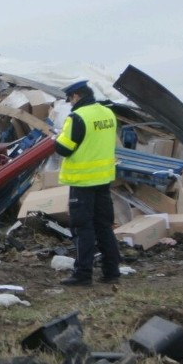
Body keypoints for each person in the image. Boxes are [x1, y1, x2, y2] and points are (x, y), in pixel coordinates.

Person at [54, 80, 121, 286]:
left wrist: (55, 138)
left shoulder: (77, 117)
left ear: (76, 96)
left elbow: (64, 149)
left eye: (70, 99)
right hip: (103, 179)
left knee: (83, 228)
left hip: (82, 182)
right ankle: (112, 271)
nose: (70, 104)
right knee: (104, 226)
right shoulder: (107, 113)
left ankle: (83, 274)